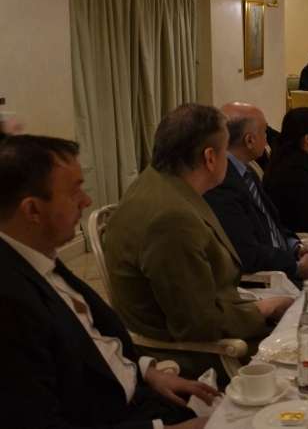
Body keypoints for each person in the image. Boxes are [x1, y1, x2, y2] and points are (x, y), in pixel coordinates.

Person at [0, 135, 218, 429]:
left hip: (140, 396)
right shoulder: (9, 301)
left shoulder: (35, 252)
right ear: (32, 210)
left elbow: (91, 342)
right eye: (74, 191)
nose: (87, 200)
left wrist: (148, 372)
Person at [104, 103, 293, 381]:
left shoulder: (159, 182)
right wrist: (264, 308)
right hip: (201, 355)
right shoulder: (172, 218)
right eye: (226, 151)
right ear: (210, 158)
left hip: (218, 320)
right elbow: (198, 325)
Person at [204, 103, 308, 288]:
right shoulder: (222, 182)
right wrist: (297, 267)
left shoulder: (245, 170)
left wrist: (295, 247)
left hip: (284, 262)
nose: (268, 138)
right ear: (249, 140)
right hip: (271, 282)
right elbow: (246, 252)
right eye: (265, 131)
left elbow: (269, 222)